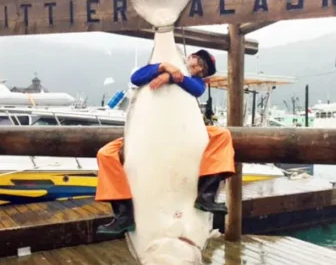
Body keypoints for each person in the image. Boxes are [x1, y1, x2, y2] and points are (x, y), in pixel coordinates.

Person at [95, 49, 235, 235]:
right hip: (147, 131)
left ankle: (206, 194)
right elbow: (136, 78)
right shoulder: (157, 71)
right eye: (198, 61)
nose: (198, 67)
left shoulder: (196, 83)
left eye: (202, 68)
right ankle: (123, 213)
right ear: (190, 56)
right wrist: (164, 67)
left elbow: (196, 89)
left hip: (184, 130)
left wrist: (171, 77)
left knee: (222, 135)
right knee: (105, 154)